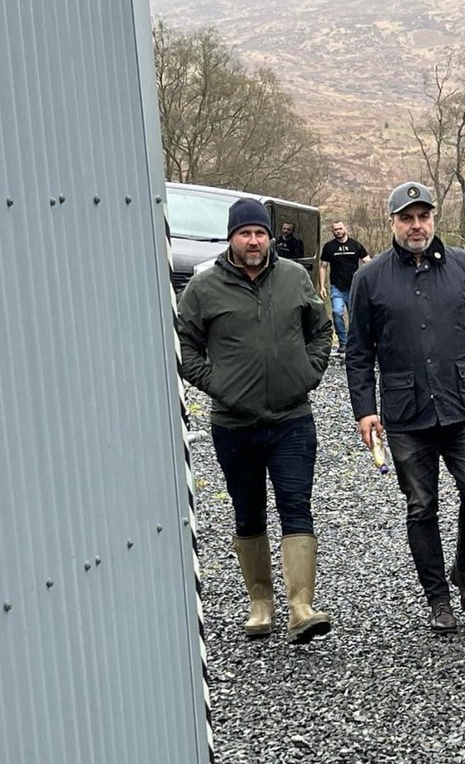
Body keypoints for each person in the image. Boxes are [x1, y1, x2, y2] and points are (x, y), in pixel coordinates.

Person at [345, 181, 465, 634]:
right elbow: (358, 351)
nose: (416, 225)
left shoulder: (464, 266)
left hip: (462, 404)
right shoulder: (369, 278)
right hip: (405, 412)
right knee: (421, 506)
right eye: (407, 218)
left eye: (423, 216)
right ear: (393, 222)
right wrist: (365, 409)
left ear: (433, 219)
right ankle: (438, 597)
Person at [177, 197, 333, 645]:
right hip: (234, 423)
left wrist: (310, 370)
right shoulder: (204, 287)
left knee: (295, 505)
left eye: (260, 233)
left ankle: (301, 606)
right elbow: (184, 341)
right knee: (247, 511)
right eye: (245, 233)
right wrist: (214, 383)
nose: (253, 241)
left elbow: (320, 329)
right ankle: (260, 604)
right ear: (231, 238)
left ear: (270, 237)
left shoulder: (294, 277)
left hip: (292, 419)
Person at [319, 219, 370, 353]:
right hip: (337, 287)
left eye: (340, 228)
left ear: (345, 228)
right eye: (335, 229)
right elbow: (323, 267)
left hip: (354, 287)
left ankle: (357, 342)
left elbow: (369, 263)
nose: (338, 231)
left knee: (356, 316)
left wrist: (369, 282)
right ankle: (343, 342)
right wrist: (322, 286)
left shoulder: (356, 245)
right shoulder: (329, 247)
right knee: (336, 312)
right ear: (332, 231)